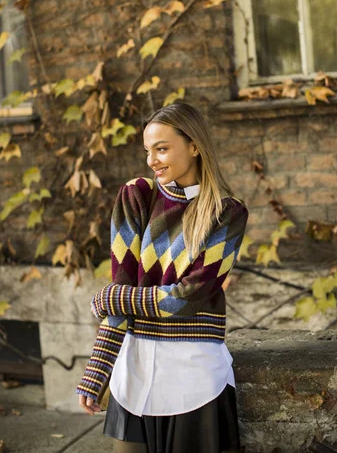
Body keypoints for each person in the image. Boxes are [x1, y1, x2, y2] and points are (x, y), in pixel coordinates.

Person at [77, 102, 249, 453]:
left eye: (162, 148)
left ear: (194, 147)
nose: (151, 160)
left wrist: (114, 297)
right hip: (134, 365)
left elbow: (185, 300)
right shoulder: (137, 196)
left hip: (194, 374)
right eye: (147, 151)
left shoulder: (227, 213)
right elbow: (122, 284)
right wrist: (97, 371)